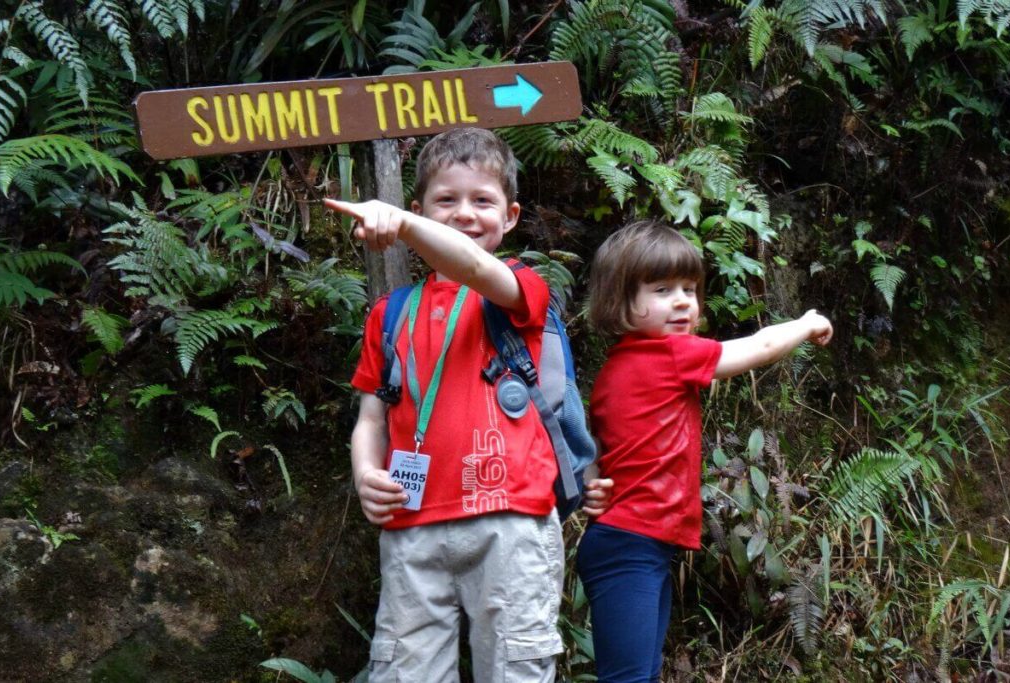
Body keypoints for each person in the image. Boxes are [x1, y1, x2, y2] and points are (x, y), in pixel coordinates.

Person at [324, 128, 612, 683]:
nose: (464, 214)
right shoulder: (391, 314)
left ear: (510, 216)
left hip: (511, 520)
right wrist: (365, 474)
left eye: (482, 200)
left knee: (515, 670)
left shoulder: (519, 289)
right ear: (420, 206)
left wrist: (408, 228)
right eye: (445, 201)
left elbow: (474, 268)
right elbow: (371, 417)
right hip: (412, 523)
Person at [577, 220, 833, 683]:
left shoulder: (616, 367)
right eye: (661, 289)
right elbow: (761, 346)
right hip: (631, 542)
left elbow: (597, 443)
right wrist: (806, 323)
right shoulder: (671, 355)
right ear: (620, 299)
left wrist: (593, 480)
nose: (682, 301)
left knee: (640, 675)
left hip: (633, 540)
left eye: (690, 289)